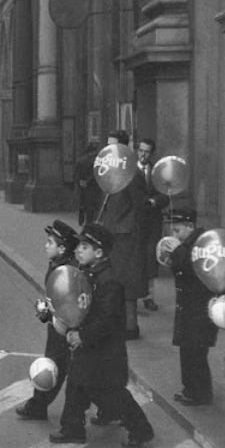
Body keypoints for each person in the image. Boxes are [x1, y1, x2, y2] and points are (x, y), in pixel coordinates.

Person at [49, 223, 154, 448]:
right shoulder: (87, 273)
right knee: (76, 384)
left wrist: (82, 336)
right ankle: (72, 429)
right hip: (91, 349)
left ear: (99, 253)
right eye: (79, 246)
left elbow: (106, 320)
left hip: (105, 353)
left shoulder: (109, 281)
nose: (78, 250)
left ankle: (141, 429)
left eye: (84, 247)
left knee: (112, 394)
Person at [15, 220, 79, 421]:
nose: (45, 245)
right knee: (56, 367)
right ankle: (38, 405)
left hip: (64, 330)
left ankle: (38, 406)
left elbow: (68, 306)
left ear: (62, 248)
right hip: (58, 327)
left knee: (56, 368)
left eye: (50, 242)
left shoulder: (67, 271)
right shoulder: (58, 265)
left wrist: (49, 313)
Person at [166, 207, 218, 406]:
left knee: (196, 351)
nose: (174, 234)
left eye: (177, 230)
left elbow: (191, 267)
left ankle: (201, 392)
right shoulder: (187, 243)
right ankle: (190, 388)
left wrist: (177, 251)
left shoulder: (200, 245)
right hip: (188, 306)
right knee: (187, 350)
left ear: (190, 226)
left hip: (199, 308)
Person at [98, 130, 147, 340]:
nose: (108, 151)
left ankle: (130, 327)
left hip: (126, 235)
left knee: (127, 281)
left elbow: (139, 206)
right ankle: (120, 325)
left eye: (113, 147)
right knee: (115, 280)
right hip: (113, 234)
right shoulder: (109, 170)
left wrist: (137, 234)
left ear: (124, 149)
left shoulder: (134, 173)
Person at [136, 138, 169, 311]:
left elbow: (166, 195)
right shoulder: (131, 171)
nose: (142, 154)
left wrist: (154, 202)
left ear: (151, 153)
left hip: (152, 223)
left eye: (146, 151)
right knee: (136, 259)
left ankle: (149, 296)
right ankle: (134, 295)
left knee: (150, 260)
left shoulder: (157, 172)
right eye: (140, 150)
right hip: (135, 223)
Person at [74, 144, 100, 225]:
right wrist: (87, 181)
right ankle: (89, 222)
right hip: (91, 186)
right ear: (93, 151)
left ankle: (80, 220)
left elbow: (76, 173)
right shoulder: (95, 161)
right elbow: (95, 174)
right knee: (90, 205)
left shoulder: (80, 160)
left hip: (81, 185)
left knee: (82, 203)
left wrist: (80, 181)